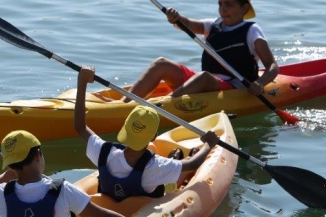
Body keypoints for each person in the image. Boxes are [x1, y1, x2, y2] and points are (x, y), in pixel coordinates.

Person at [0, 129, 159, 217]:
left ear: (10, 165)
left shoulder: (1, 194)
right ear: (38, 155)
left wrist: (3, 178)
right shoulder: (63, 190)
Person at [74, 66, 219, 202]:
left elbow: (80, 127)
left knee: (168, 170)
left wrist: (82, 83)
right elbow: (193, 164)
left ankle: (174, 160)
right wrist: (208, 144)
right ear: (154, 136)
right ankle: (177, 161)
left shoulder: (104, 152)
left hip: (112, 212)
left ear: (125, 128)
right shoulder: (154, 166)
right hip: (142, 215)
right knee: (173, 174)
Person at [125, 0, 280, 101]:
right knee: (161, 64)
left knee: (204, 77)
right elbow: (187, 24)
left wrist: (260, 83)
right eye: (220, 4)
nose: (223, 9)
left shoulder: (252, 30)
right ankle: (126, 102)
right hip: (206, 82)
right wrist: (176, 18)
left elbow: (272, 66)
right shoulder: (212, 25)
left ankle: (163, 105)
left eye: (229, 4)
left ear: (245, 9)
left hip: (234, 86)